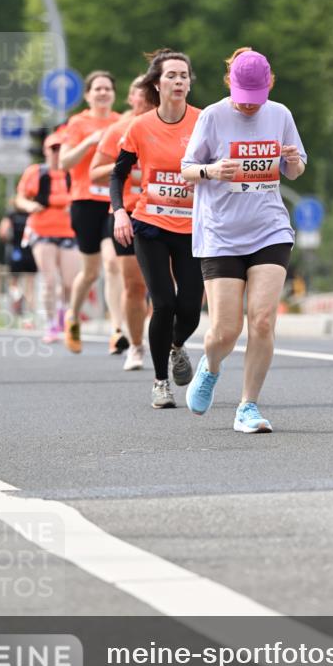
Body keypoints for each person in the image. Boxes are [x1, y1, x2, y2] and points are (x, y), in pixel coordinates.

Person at [181, 47, 307, 433]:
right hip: (221, 233)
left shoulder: (280, 114)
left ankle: (247, 406)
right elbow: (187, 169)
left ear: (269, 85)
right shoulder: (213, 116)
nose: (250, 106)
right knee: (225, 331)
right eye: (243, 98)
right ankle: (211, 366)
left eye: (256, 98)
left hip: (269, 229)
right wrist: (212, 170)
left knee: (263, 321)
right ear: (229, 85)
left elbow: (296, 169)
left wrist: (291, 161)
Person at [111, 49, 203, 407]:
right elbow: (118, 174)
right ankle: (160, 382)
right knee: (163, 303)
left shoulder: (203, 121)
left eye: (184, 75)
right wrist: (120, 212)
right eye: (171, 75)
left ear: (189, 83)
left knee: (190, 309)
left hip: (193, 227)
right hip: (150, 224)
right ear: (157, 83)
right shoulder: (140, 126)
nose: (178, 81)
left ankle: (176, 345)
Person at [90, 75, 151, 371]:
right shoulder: (118, 130)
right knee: (134, 286)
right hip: (128, 213)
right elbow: (94, 173)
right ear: (130, 98)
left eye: (150, 90)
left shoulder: (174, 126)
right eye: (139, 91)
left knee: (169, 288)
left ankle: (171, 343)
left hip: (169, 213)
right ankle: (136, 345)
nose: (146, 96)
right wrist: (126, 165)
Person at [60, 70, 123, 354]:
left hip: (113, 200)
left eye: (107, 88)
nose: (103, 93)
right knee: (89, 272)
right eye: (97, 88)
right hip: (84, 201)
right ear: (88, 95)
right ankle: (72, 316)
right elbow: (64, 162)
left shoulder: (121, 122)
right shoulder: (78, 123)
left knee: (113, 264)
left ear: (114, 94)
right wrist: (90, 141)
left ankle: (117, 330)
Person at [15, 129, 80, 342]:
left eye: (61, 148)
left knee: (69, 282)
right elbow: (19, 198)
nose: (57, 153)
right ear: (45, 151)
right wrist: (30, 206)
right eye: (53, 149)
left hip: (69, 231)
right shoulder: (35, 172)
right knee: (49, 280)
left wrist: (75, 207)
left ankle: (63, 314)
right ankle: (50, 324)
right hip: (42, 231)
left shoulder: (73, 172)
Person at [0, 198, 38, 316]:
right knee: (30, 285)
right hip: (31, 252)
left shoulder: (11, 215)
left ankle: (18, 298)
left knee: (13, 282)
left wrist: (9, 240)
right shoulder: (33, 213)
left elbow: (2, 232)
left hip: (16, 251)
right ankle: (30, 314)